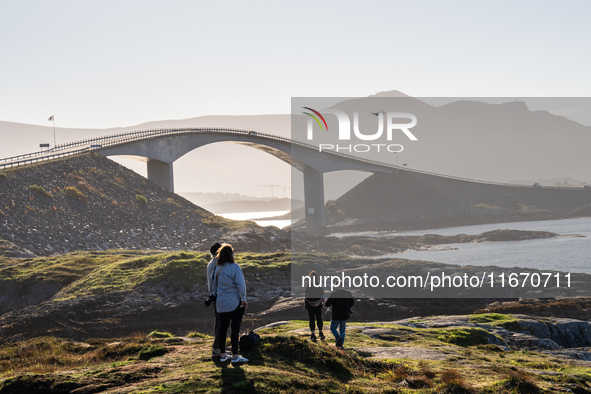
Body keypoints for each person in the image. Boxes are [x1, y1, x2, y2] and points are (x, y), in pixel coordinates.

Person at [211, 243, 249, 363]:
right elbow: (241, 285)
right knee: (235, 329)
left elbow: (214, 285)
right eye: (233, 252)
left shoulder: (218, 268)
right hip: (234, 302)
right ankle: (235, 356)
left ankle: (223, 355)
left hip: (221, 303)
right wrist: (243, 299)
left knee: (222, 329)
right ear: (230, 254)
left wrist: (216, 298)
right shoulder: (235, 267)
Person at [207, 242, 222, 357]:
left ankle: (219, 345)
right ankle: (217, 347)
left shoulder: (211, 264)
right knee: (221, 321)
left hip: (214, 296)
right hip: (218, 297)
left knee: (219, 321)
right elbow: (213, 282)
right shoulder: (215, 264)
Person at [303, 271, 325, 341]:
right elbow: (302, 289)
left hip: (318, 304)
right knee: (311, 319)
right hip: (309, 304)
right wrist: (307, 281)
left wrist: (324, 302)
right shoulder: (307, 284)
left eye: (313, 277)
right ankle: (313, 334)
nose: (312, 278)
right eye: (311, 277)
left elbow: (322, 294)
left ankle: (320, 332)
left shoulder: (318, 284)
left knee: (319, 318)